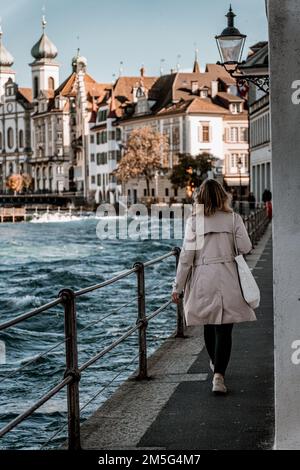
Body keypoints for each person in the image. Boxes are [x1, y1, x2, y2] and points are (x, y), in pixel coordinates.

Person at [172, 179, 257, 395]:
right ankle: (219, 377)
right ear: (222, 196)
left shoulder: (194, 222)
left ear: (199, 197)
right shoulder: (233, 219)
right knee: (225, 329)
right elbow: (246, 247)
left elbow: (186, 258)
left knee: (208, 324)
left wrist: (177, 287)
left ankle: (214, 363)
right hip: (228, 275)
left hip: (203, 277)